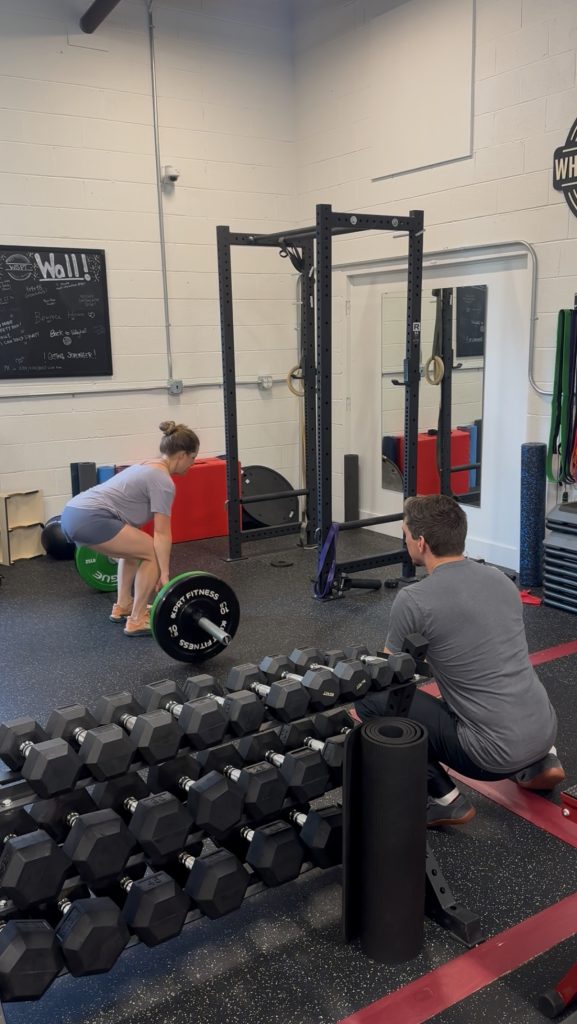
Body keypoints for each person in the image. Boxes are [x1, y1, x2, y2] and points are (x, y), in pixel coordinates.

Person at [351, 493, 565, 827]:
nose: (404, 540)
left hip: (488, 757)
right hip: (545, 729)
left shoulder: (413, 599)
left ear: (421, 542)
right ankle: (541, 762)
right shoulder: (501, 580)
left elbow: (388, 676)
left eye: (405, 533)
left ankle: (444, 798)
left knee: (371, 699)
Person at [61, 421, 199, 637]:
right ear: (182, 455)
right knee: (152, 552)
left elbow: (132, 524)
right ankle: (137, 620)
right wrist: (164, 573)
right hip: (89, 517)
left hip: (73, 513)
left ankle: (124, 605)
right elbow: (162, 534)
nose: (192, 463)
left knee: (135, 551)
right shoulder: (162, 480)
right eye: (192, 458)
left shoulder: (147, 466)